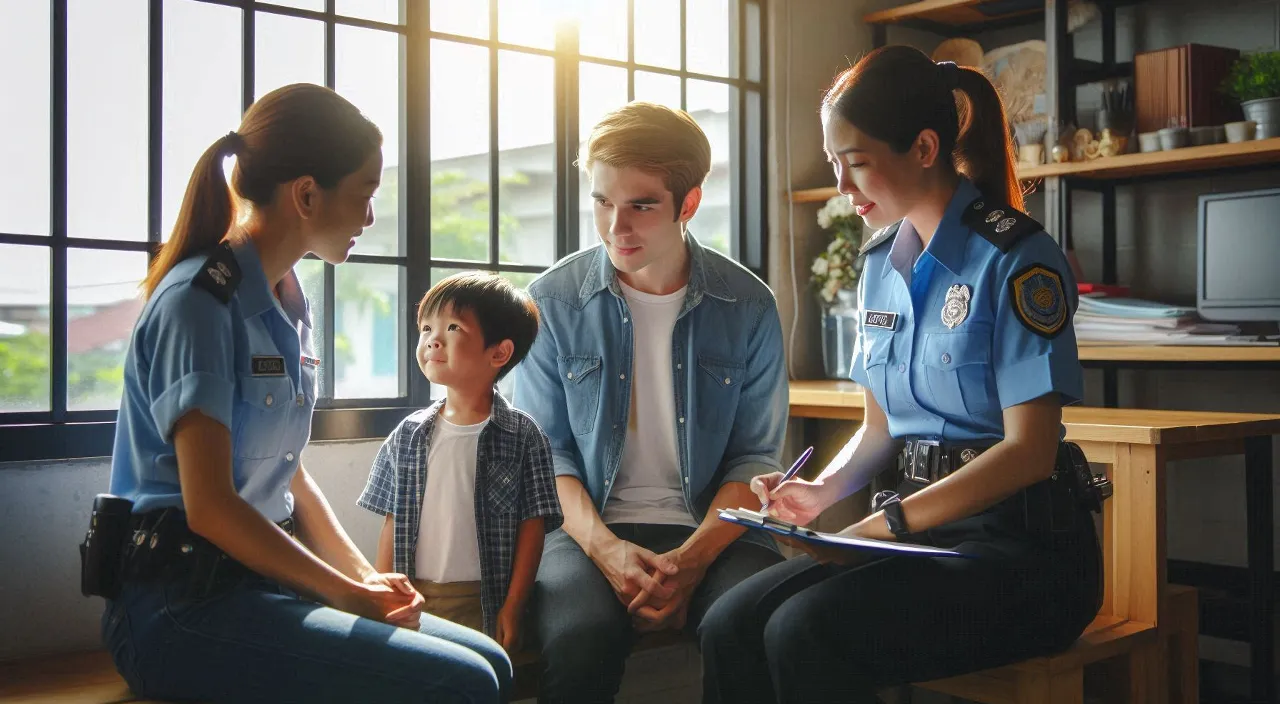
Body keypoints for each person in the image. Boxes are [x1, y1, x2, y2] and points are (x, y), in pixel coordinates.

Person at [698, 46, 1104, 704]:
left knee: (805, 632)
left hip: (1020, 555)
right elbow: (880, 427)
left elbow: (1029, 452)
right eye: (834, 165)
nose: (842, 187)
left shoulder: (1019, 258)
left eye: (855, 164)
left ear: (922, 147)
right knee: (729, 625)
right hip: (921, 543)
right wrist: (822, 493)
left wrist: (883, 525)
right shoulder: (881, 263)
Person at [99, 84, 509, 703]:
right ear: (307, 194)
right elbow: (210, 507)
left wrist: (365, 576)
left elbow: (288, 474)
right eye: (365, 193)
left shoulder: (287, 302)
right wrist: (344, 595)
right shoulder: (199, 305)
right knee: (466, 683)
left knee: (493, 660)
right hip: (177, 609)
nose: (371, 217)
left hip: (256, 587)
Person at [509, 101, 788, 704]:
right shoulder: (552, 301)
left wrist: (690, 561)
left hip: (720, 529)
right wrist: (608, 552)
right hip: (586, 527)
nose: (616, 227)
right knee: (581, 637)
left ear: (688, 204)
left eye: (641, 205)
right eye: (601, 202)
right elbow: (545, 453)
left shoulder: (749, 305)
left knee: (748, 624)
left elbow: (755, 458)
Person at [357, 271, 563, 657]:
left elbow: (533, 527)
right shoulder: (408, 434)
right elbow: (391, 518)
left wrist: (514, 605)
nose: (432, 338)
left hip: (483, 599)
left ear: (498, 353)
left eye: (452, 327)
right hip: (413, 595)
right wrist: (380, 588)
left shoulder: (523, 436)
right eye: (425, 328)